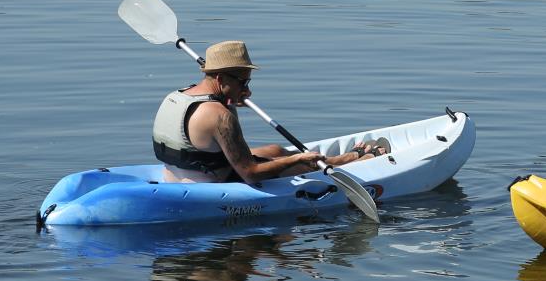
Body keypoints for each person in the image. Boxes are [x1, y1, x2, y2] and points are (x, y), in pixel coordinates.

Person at [151, 40, 387, 183]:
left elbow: (203, 138)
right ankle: (357, 160)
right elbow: (250, 174)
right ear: (221, 78)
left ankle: (340, 159)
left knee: (275, 150)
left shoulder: (179, 95)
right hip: (212, 183)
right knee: (297, 165)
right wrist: (297, 158)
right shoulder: (219, 116)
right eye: (243, 83)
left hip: (182, 172)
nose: (247, 90)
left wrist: (231, 102)